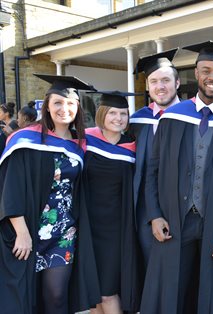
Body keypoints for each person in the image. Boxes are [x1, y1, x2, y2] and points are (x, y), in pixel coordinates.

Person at [141, 40, 213, 314]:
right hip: (174, 219)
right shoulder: (172, 117)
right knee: (173, 292)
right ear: (196, 74)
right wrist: (155, 214)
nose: (212, 77)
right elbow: (153, 170)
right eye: (206, 70)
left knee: (212, 294)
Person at [0, 74, 100, 314]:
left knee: (56, 295)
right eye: (57, 103)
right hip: (28, 228)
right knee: (25, 295)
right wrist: (21, 232)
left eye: (70, 104)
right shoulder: (27, 140)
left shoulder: (79, 146)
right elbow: (9, 188)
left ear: (77, 108)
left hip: (64, 231)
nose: (63, 109)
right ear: (47, 106)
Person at [84, 91, 142, 313]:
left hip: (117, 228)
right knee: (93, 291)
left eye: (124, 114)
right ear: (102, 114)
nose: (119, 118)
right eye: (113, 113)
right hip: (88, 225)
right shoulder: (85, 140)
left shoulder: (133, 146)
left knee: (108, 291)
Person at [129, 48, 181, 265]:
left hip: (183, 207)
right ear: (148, 86)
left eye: (166, 80)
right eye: (154, 81)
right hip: (145, 211)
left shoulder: (195, 117)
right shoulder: (137, 122)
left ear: (177, 83)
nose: (160, 86)